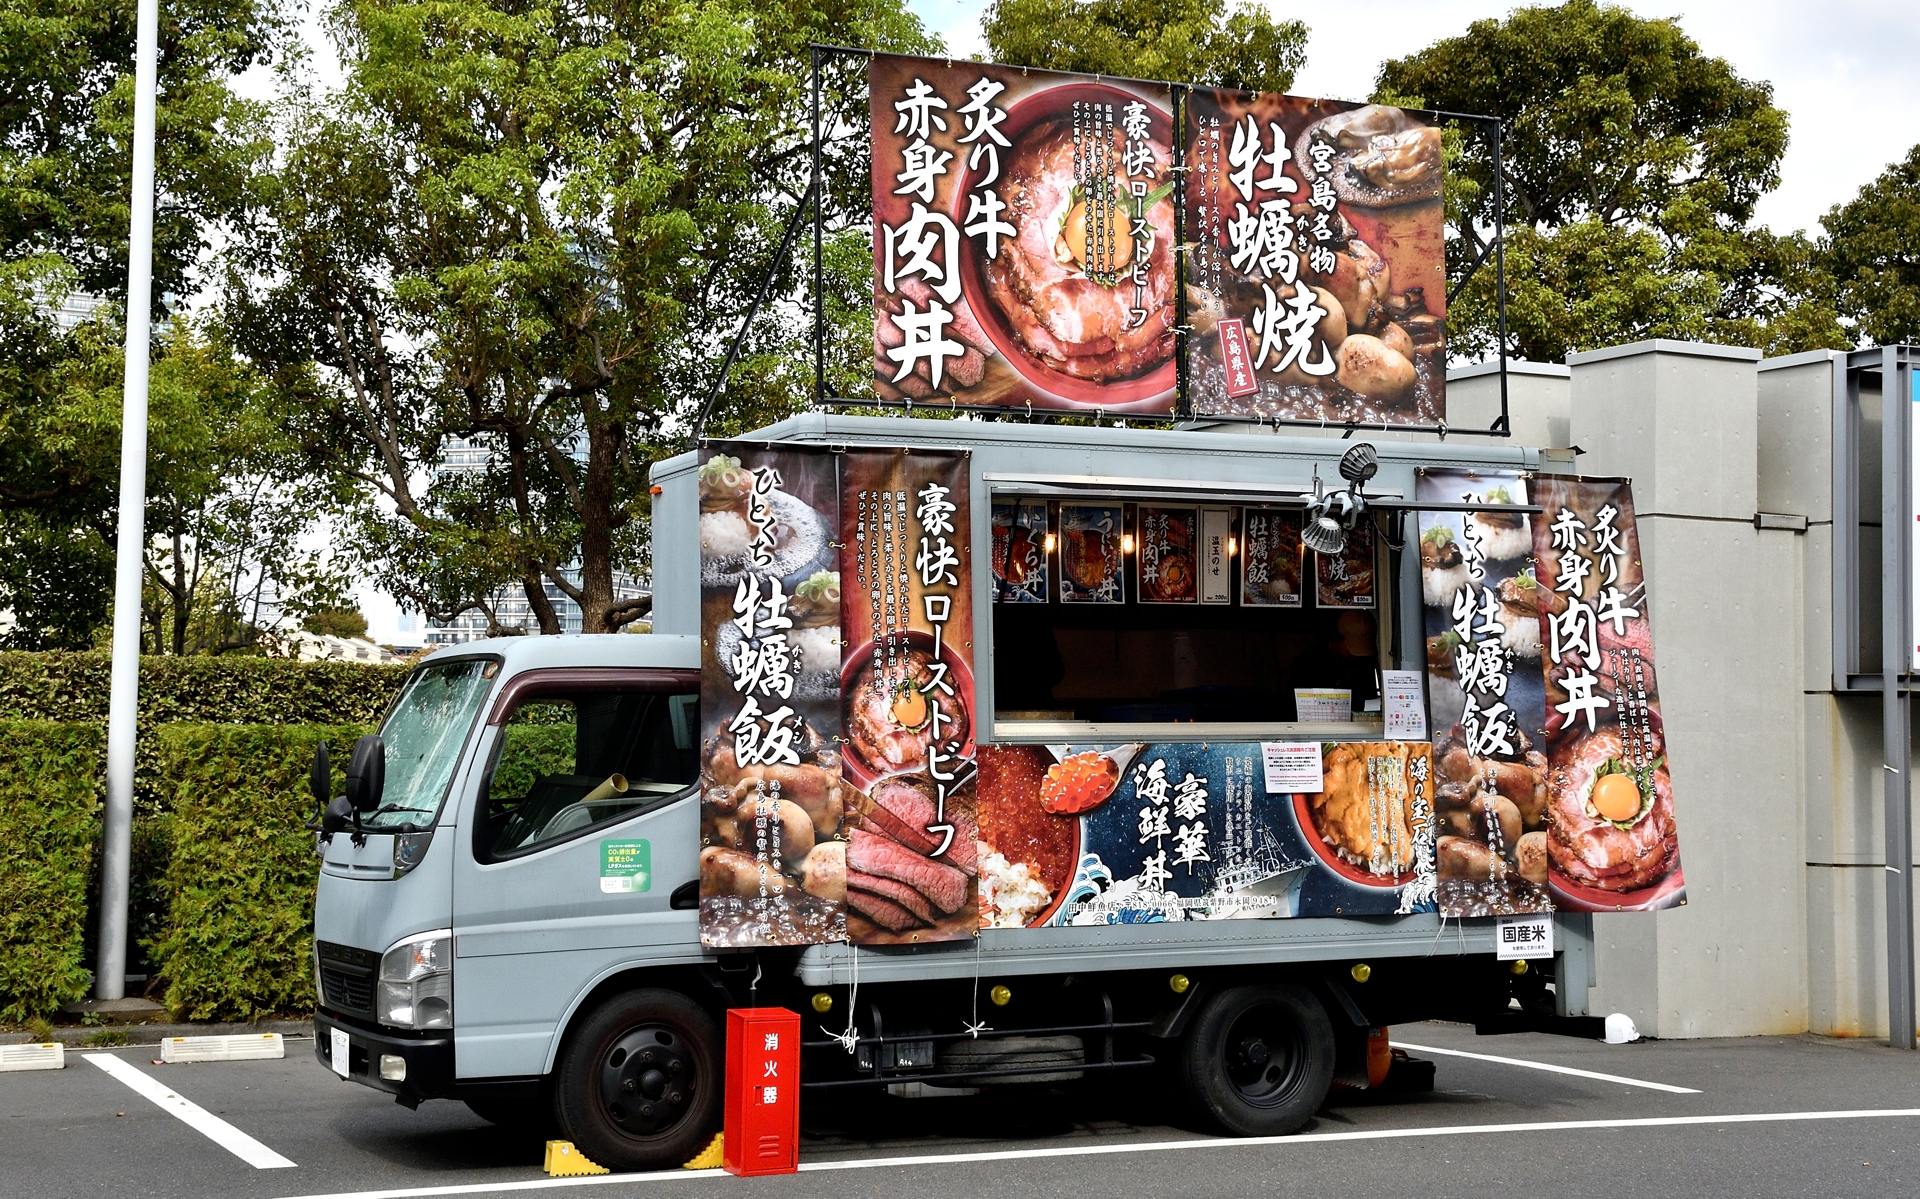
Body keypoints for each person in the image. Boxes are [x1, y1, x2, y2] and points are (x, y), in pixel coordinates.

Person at [1284, 610, 1378, 719]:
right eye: (1354, 648)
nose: (1357, 656)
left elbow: (1368, 700)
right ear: (1337, 638)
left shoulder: (1363, 662)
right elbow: (1291, 710)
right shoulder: (1308, 664)